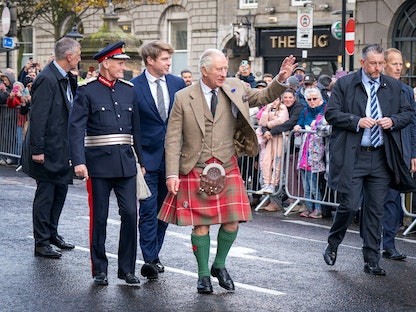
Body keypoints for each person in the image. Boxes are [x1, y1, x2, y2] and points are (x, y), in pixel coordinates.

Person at [158, 48, 296, 294]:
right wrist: (171, 174)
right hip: (195, 167)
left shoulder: (235, 87)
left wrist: (281, 80)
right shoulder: (183, 97)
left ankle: (219, 265)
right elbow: (172, 139)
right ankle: (202, 275)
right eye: (219, 69)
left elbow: (263, 96)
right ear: (204, 71)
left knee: (233, 220)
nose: (224, 73)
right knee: (201, 225)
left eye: (225, 68)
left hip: (227, 165)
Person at [323, 44, 415, 276]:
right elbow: (331, 114)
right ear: (362, 63)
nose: (378, 68)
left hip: (381, 157)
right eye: (373, 63)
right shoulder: (345, 84)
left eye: (381, 63)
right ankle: (334, 242)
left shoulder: (393, 86)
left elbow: (408, 114)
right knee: (350, 205)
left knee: (375, 210)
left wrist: (392, 121)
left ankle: (371, 260)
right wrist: (356, 121)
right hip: (353, 156)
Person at [68, 41, 143, 286]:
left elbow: (136, 129)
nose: (123, 66)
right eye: (119, 63)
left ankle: (127, 269)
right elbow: (76, 128)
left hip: (126, 163)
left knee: (131, 215)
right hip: (97, 165)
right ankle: (100, 269)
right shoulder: (87, 90)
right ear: (105, 63)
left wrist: (140, 161)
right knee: (99, 217)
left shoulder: (128, 90)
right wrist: (78, 161)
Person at [130, 40, 186, 280]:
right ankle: (150, 258)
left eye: (169, 58)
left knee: (164, 211)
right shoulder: (133, 86)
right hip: (146, 160)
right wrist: (136, 159)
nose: (168, 63)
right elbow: (131, 126)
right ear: (150, 60)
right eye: (164, 59)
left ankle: (154, 254)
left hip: (173, 160)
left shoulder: (177, 83)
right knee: (148, 210)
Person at [21, 37, 80, 259]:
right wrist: (37, 149)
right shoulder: (47, 78)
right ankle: (41, 242)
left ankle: (52, 232)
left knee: (60, 192)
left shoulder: (63, 77)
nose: (80, 58)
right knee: (46, 195)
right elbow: (38, 117)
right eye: (79, 54)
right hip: (46, 149)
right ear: (69, 56)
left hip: (61, 148)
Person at [381, 48, 416, 260]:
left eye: (400, 63)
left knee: (393, 200)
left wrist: (413, 153)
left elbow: (412, 124)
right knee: (375, 200)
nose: (399, 67)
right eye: (394, 63)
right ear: (384, 64)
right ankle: (371, 242)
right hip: (377, 152)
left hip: (400, 153)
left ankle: (389, 245)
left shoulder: (405, 90)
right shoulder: (374, 88)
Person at [261, 88, 303, 212]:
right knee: (269, 166)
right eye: (285, 97)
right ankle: (271, 200)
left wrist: (271, 131)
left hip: (291, 146)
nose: (287, 100)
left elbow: (290, 123)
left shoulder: (298, 107)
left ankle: (279, 201)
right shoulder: (278, 106)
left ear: (294, 98)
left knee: (282, 172)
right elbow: (264, 121)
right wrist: (265, 131)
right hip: (276, 139)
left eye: (290, 97)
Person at [293, 87, 326, 219]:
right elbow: (300, 123)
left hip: (317, 152)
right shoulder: (306, 111)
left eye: (314, 99)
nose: (312, 101)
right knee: (306, 185)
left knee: (314, 184)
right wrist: (297, 126)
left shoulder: (325, 109)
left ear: (320, 99)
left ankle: (318, 209)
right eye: (309, 99)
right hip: (305, 151)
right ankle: (308, 208)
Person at [256, 98, 289, 195]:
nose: (274, 102)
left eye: (276, 100)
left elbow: (280, 120)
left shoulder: (283, 108)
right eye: (272, 100)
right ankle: (266, 184)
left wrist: (268, 126)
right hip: (270, 137)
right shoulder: (268, 108)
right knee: (266, 161)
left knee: (276, 161)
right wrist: (266, 110)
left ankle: (273, 184)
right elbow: (261, 122)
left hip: (279, 137)